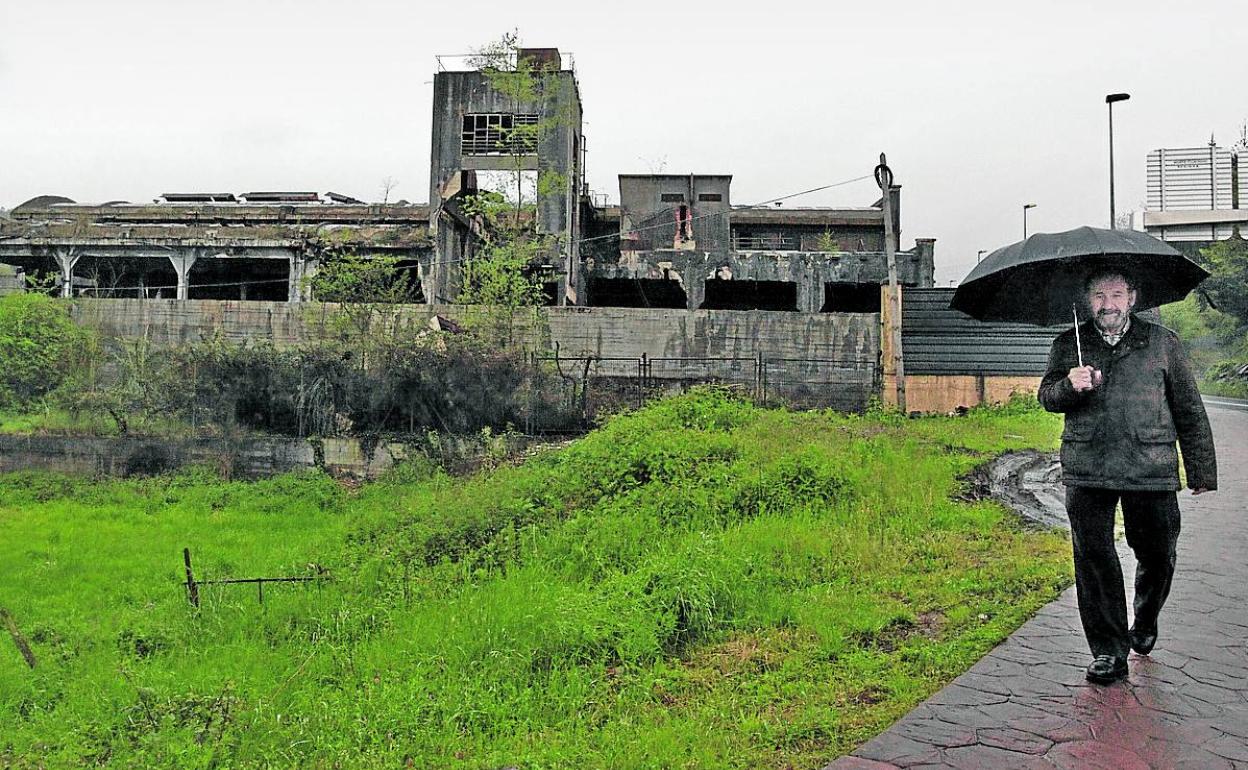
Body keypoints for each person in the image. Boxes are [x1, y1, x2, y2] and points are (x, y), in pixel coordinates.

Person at [1038, 269, 1217, 684]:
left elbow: (1188, 409)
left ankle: (1146, 615)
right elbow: (1047, 396)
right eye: (1099, 295)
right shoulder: (1068, 345)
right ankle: (1108, 651)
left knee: (1158, 552)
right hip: (1088, 467)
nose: (1109, 304)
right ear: (1088, 300)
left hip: (1149, 467)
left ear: (1132, 298)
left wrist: (1201, 470)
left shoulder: (1163, 343)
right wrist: (1068, 385)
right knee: (1093, 558)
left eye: (1116, 294)